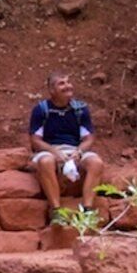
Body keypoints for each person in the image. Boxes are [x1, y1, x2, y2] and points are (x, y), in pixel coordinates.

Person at [27, 74, 102, 210]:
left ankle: (87, 209)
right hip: (49, 150)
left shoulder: (80, 109)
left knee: (96, 163)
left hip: (75, 149)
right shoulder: (41, 110)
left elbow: (89, 138)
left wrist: (79, 151)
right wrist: (55, 152)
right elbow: (35, 140)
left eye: (68, 82)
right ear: (52, 90)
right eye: (61, 84)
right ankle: (56, 210)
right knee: (46, 162)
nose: (67, 86)